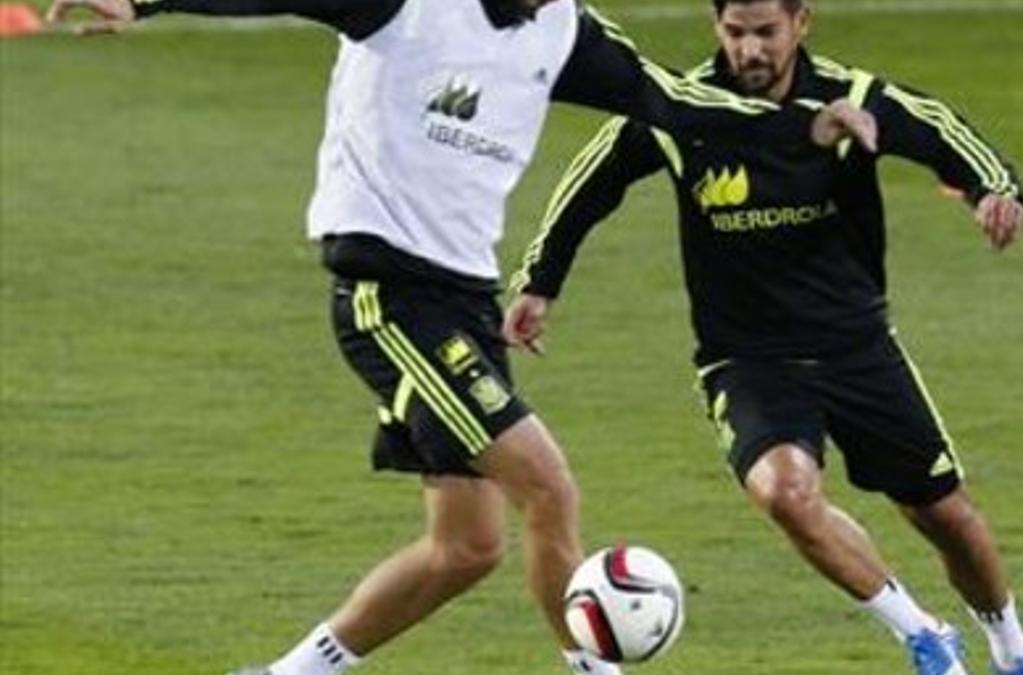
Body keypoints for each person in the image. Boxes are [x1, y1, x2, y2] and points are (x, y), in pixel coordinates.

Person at [44, 0, 877, 673]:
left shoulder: (562, 28)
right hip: (388, 295)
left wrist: (802, 128)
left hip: (466, 300)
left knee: (466, 547)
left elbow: (673, 101)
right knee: (548, 485)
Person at [504, 1, 1023, 674]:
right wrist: (540, 279)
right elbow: (591, 180)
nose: (750, 50)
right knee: (785, 493)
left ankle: (1014, 649)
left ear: (802, 23)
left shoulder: (850, 99)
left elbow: (943, 132)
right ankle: (922, 633)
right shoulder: (684, 109)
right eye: (735, 33)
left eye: (766, 32)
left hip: (857, 347)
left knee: (945, 517)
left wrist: (995, 189)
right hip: (746, 360)